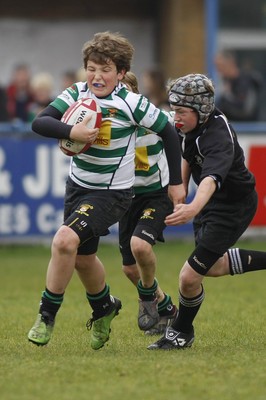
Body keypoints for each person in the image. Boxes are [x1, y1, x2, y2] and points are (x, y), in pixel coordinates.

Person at [27, 31, 185, 350]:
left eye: (106, 69)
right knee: (84, 259)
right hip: (77, 188)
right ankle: (105, 308)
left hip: (112, 194)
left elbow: (168, 132)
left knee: (63, 240)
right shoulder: (76, 93)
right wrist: (73, 131)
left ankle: (46, 315)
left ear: (122, 73)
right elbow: (40, 122)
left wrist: (177, 184)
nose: (97, 76)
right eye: (92, 68)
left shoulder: (131, 103)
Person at [148, 73, 266, 350]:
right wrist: (179, 185)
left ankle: (180, 332)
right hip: (211, 204)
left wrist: (191, 208)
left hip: (232, 207)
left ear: (201, 110)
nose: (175, 117)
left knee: (189, 277)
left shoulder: (218, 137)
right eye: (173, 109)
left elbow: (211, 180)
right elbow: (187, 153)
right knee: (211, 267)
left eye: (180, 111)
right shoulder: (191, 124)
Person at [119, 72, 178, 335]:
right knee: (130, 269)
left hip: (156, 195)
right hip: (126, 197)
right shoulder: (108, 123)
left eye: (124, 90)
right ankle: (166, 308)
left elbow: (179, 128)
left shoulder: (154, 117)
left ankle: (146, 301)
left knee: (140, 245)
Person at [214, 50, 263, 121]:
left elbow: (246, 110)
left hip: (249, 128)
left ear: (230, 63)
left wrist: (225, 101)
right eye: (217, 66)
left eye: (220, 66)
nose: (218, 70)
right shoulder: (227, 82)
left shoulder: (246, 81)